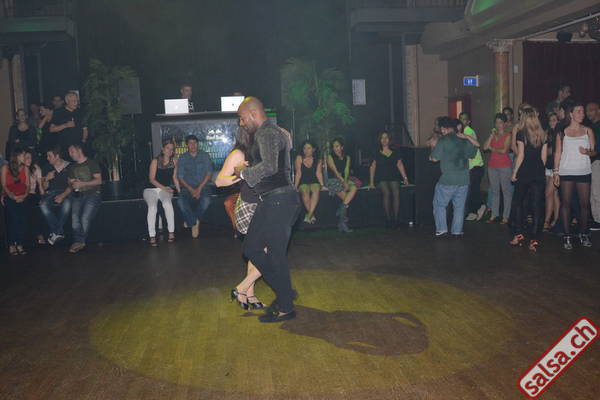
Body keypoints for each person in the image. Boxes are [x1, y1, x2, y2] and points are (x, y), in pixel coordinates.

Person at [234, 97, 300, 323]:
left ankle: (285, 304)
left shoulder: (267, 132)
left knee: (264, 251)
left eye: (242, 118)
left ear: (253, 113)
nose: (242, 123)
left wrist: (242, 172)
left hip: (279, 200)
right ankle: (285, 295)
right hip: (274, 200)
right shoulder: (272, 132)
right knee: (256, 249)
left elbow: (270, 167)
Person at [216, 125, 266, 310]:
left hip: (262, 205)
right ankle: (242, 288)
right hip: (248, 207)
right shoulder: (239, 153)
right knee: (267, 252)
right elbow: (219, 181)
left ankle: (248, 294)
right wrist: (242, 175)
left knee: (256, 252)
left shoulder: (260, 152)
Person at [554, 102, 596, 250]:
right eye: (579, 111)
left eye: (583, 112)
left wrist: (587, 152)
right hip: (566, 171)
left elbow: (594, 151)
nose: (582, 114)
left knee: (584, 205)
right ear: (571, 114)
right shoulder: (562, 132)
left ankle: (583, 233)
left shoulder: (588, 131)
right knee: (566, 204)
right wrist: (556, 172)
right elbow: (558, 153)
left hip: (583, 171)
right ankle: (567, 235)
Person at [430, 117, 480, 237]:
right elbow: (473, 153)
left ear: (444, 128)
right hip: (464, 179)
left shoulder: (443, 140)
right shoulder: (463, 139)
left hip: (448, 179)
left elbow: (434, 158)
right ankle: (457, 231)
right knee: (459, 207)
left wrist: (432, 148)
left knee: (439, 204)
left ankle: (442, 229)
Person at [509, 111, 548, 252]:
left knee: (518, 203)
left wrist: (514, 172)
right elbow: (544, 158)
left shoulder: (522, 134)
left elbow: (521, 155)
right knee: (536, 206)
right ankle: (534, 240)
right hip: (538, 173)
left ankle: (519, 234)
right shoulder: (543, 135)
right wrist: (539, 171)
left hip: (524, 172)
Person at [367, 132, 409, 228]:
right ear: (380, 140)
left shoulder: (395, 151)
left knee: (396, 192)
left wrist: (405, 178)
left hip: (393, 176)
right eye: (382, 138)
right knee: (386, 192)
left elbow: (400, 164)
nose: (384, 140)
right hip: (380, 178)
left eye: (386, 138)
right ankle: (388, 219)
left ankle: (396, 219)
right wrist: (371, 182)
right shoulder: (376, 152)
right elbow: (372, 167)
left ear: (389, 140)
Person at [143, 139, 179, 246]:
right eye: (168, 148)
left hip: (165, 189)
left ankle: (171, 232)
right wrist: (165, 188)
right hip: (150, 189)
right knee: (152, 207)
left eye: (172, 149)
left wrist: (179, 191)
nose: (170, 151)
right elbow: (151, 180)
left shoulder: (174, 161)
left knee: (167, 204)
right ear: (163, 149)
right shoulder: (155, 161)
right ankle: (152, 235)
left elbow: (175, 178)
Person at [176, 135, 213, 238]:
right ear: (187, 145)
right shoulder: (183, 157)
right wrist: (192, 190)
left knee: (206, 201)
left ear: (198, 144)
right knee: (180, 201)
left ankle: (191, 221)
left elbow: (209, 173)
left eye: (194, 143)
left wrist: (199, 189)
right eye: (190, 143)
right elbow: (180, 177)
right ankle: (194, 222)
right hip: (187, 187)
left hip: (203, 186)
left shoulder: (204, 155)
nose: (193, 145)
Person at [67, 143, 102, 253]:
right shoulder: (72, 167)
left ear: (79, 151)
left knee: (85, 217)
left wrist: (82, 184)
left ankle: (79, 241)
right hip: (78, 195)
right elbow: (70, 183)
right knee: (74, 218)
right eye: (69, 152)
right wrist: (72, 184)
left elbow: (99, 181)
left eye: (72, 151)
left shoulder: (91, 163)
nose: (70, 154)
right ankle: (79, 242)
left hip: (93, 194)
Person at [483, 113, 512, 224]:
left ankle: (506, 216)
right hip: (492, 166)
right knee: (494, 191)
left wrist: (491, 148)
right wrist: (491, 136)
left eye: (500, 122)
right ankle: (494, 214)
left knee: (506, 191)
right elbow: (484, 147)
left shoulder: (508, 135)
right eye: (496, 122)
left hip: (504, 165)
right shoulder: (493, 135)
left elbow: (503, 150)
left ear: (504, 124)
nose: (498, 125)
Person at [40, 146, 72, 245]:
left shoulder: (69, 166)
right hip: (51, 192)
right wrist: (47, 179)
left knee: (67, 203)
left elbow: (71, 186)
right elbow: (44, 188)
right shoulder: (47, 167)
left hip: (65, 192)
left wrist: (62, 196)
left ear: (57, 156)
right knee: (43, 204)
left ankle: (55, 232)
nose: (47, 158)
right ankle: (59, 232)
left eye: (49, 156)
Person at [326, 137, 359, 233]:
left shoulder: (347, 157)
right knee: (345, 199)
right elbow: (335, 172)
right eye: (334, 147)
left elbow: (346, 170)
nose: (335, 148)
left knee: (354, 187)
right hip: (333, 180)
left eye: (337, 146)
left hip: (344, 178)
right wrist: (344, 182)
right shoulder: (330, 157)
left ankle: (341, 215)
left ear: (342, 147)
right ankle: (343, 223)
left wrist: (346, 181)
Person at [1, 148, 30, 255]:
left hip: (23, 196)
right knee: (13, 219)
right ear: (17, 156)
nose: (25, 157)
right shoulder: (5, 168)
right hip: (10, 196)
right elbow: (4, 185)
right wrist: (12, 196)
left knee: (22, 220)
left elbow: (28, 185)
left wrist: (24, 195)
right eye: (23, 155)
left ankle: (20, 244)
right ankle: (12, 245)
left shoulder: (25, 168)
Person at [459, 112, 486, 221]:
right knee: (471, 190)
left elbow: (472, 148)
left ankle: (480, 206)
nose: (462, 121)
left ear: (468, 121)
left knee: (473, 189)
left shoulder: (468, 131)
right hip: (471, 166)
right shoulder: (463, 132)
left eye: (464, 119)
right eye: (460, 119)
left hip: (476, 165)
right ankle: (474, 211)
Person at [294, 140, 325, 224]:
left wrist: (322, 185)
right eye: (304, 148)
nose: (306, 150)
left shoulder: (318, 160)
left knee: (316, 189)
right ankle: (311, 215)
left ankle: (309, 215)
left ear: (313, 149)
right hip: (303, 181)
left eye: (308, 148)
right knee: (305, 190)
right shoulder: (299, 158)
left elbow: (318, 173)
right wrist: (295, 187)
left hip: (314, 181)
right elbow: (298, 173)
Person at [23, 149, 46, 245]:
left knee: (35, 209)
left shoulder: (36, 168)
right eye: (27, 158)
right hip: (20, 194)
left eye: (30, 158)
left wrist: (43, 196)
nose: (29, 160)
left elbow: (40, 186)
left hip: (31, 194)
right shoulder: (19, 168)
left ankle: (39, 235)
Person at [584, 102, 600, 231]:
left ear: (598, 111)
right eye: (587, 110)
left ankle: (598, 220)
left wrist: (589, 153)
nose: (588, 113)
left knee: (596, 192)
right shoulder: (589, 127)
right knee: (592, 192)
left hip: (597, 161)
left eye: (591, 110)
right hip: (591, 162)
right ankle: (595, 219)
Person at [543, 112, 560, 231]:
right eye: (550, 120)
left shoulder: (560, 133)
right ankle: (555, 220)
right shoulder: (547, 133)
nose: (552, 122)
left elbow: (556, 151)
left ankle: (547, 221)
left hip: (556, 168)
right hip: (548, 166)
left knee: (548, 193)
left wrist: (549, 150)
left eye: (554, 120)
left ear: (558, 121)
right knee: (554, 195)